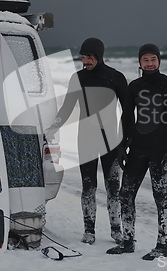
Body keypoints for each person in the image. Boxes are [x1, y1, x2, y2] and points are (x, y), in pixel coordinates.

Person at [46, 38, 128, 245]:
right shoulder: (78, 78)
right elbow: (67, 107)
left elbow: (128, 112)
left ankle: (116, 229)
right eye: (83, 57)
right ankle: (89, 230)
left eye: (89, 57)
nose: (86, 61)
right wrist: (54, 126)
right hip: (86, 139)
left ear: (99, 56)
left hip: (111, 140)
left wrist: (125, 141)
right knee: (88, 185)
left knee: (113, 186)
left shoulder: (115, 78)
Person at [106, 43, 167, 261]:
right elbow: (127, 117)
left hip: (160, 149)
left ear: (159, 61)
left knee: (161, 197)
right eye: (145, 60)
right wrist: (121, 145)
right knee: (125, 194)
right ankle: (128, 241)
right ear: (139, 62)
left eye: (153, 59)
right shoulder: (135, 86)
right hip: (138, 148)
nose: (149, 63)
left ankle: (162, 245)